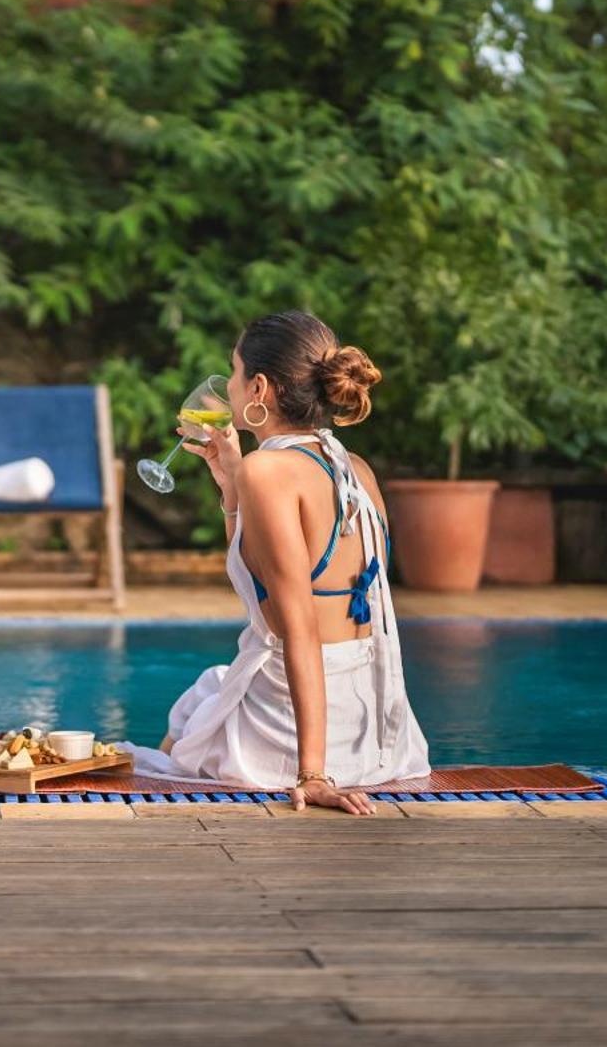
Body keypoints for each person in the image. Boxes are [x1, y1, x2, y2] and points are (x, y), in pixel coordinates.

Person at [119, 310, 431, 815]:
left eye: (235, 372)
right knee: (210, 692)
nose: (231, 387)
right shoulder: (356, 468)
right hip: (374, 728)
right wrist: (231, 484)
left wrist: (313, 775)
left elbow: (296, 627)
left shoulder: (270, 471)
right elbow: (264, 579)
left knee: (177, 737)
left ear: (259, 387)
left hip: (298, 731)